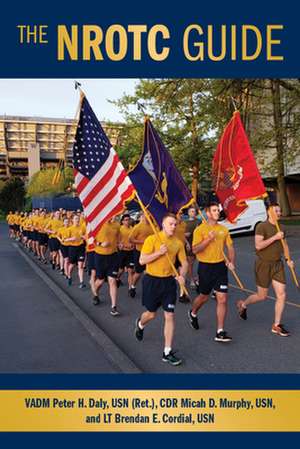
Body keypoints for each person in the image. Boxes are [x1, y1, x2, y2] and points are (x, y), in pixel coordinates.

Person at [134, 213, 188, 366]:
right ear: (163, 225)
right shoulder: (152, 239)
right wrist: (159, 252)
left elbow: (184, 263)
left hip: (169, 282)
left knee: (170, 316)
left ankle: (167, 351)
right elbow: (142, 260)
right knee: (151, 314)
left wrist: (182, 276)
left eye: (175, 224)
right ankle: (140, 324)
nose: (173, 226)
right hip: (152, 281)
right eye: (170, 224)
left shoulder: (178, 243)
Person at [236, 203, 294, 337]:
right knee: (262, 296)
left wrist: (288, 259)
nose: (279, 213)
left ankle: (276, 325)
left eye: (280, 211)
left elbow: (284, 245)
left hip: (277, 265)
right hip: (263, 264)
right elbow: (258, 246)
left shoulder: (282, 227)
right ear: (269, 212)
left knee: (282, 294)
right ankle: (244, 304)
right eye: (276, 211)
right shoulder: (262, 226)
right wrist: (275, 237)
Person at [188, 202, 235, 342]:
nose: (217, 212)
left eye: (218, 210)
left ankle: (220, 331)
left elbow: (230, 247)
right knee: (204, 297)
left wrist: (231, 261)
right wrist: (208, 239)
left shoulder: (223, 229)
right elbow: (194, 250)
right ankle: (193, 312)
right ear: (207, 213)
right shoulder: (200, 230)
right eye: (214, 210)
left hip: (220, 267)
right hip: (205, 267)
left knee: (222, 298)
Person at [94, 217, 121, 316]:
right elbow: (89, 238)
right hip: (100, 255)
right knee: (100, 280)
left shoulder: (117, 225)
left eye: (115, 215)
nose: (113, 217)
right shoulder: (98, 223)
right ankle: (95, 294)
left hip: (113, 256)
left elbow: (118, 236)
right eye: (112, 215)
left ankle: (113, 306)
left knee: (112, 280)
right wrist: (100, 243)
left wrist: (119, 243)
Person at [128, 213, 154, 297]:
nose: (148, 217)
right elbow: (131, 239)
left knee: (150, 273)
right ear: (142, 216)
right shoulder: (138, 227)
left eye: (150, 215)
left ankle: (149, 290)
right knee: (138, 273)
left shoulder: (154, 226)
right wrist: (143, 242)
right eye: (146, 215)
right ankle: (132, 286)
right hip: (139, 252)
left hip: (151, 253)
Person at [64, 214, 86, 288]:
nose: (77, 220)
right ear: (72, 220)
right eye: (76, 219)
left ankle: (81, 282)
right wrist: (71, 239)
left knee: (80, 265)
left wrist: (83, 237)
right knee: (72, 265)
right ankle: (69, 275)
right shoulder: (69, 229)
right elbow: (64, 239)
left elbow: (85, 236)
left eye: (78, 218)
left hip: (81, 247)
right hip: (72, 248)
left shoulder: (82, 227)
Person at [117, 214, 135, 295]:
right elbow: (118, 242)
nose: (128, 221)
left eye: (129, 219)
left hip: (131, 252)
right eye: (126, 220)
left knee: (130, 270)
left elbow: (134, 239)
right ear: (122, 221)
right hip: (122, 252)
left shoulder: (132, 229)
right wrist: (124, 245)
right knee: (120, 270)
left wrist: (133, 245)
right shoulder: (120, 229)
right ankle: (117, 278)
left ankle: (130, 288)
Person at [184, 206, 201, 288]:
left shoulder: (199, 221)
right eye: (191, 211)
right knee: (190, 263)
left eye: (194, 211)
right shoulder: (185, 223)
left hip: (199, 244)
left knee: (202, 262)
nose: (193, 213)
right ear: (188, 213)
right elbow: (182, 234)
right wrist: (186, 241)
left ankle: (198, 278)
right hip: (189, 244)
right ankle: (191, 279)